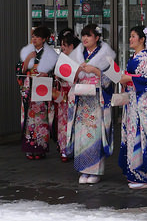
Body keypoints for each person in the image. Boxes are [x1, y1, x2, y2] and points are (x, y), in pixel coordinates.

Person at [67, 24, 115, 184]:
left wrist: (95, 71)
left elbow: (113, 78)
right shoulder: (77, 55)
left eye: (89, 35)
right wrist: (73, 74)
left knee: (94, 135)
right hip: (82, 100)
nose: (85, 38)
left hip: (96, 100)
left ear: (97, 37)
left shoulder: (106, 56)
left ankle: (95, 170)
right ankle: (83, 169)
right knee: (82, 136)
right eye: (83, 35)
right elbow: (69, 78)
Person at [118, 26, 147, 189]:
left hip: (142, 104)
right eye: (130, 36)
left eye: (133, 36)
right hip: (133, 104)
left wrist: (129, 78)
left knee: (141, 137)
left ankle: (144, 177)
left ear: (142, 39)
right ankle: (134, 173)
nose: (130, 39)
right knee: (131, 136)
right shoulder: (134, 57)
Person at [17, 26, 58, 160]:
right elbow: (20, 71)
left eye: (38, 37)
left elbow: (57, 72)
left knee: (42, 119)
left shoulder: (50, 54)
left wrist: (48, 74)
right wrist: (28, 59)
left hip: (43, 88)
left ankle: (40, 149)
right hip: (30, 88)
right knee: (30, 119)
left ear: (45, 39)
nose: (34, 39)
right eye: (33, 36)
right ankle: (30, 148)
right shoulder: (28, 52)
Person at [53, 28, 80, 162]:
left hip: (74, 92)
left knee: (74, 121)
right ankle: (64, 149)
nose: (63, 47)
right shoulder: (62, 59)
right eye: (62, 45)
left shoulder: (79, 59)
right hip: (63, 93)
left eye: (65, 45)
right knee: (63, 122)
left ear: (72, 46)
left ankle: (74, 148)